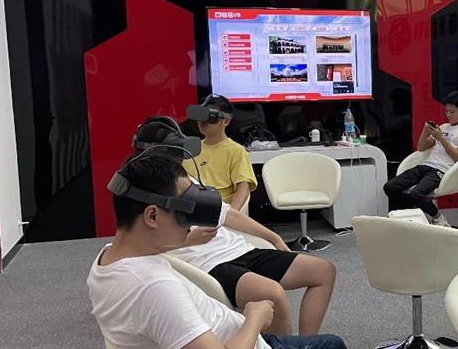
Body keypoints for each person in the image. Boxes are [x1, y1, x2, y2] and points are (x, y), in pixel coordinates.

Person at [88, 152, 398, 349]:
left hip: (239, 345)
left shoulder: (109, 261)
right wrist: (254, 318)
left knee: (334, 345)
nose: (192, 219)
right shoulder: (153, 289)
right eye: (184, 210)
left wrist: (185, 240)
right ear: (152, 216)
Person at [134, 117, 335, 335]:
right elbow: (138, 248)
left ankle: (308, 344)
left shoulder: (187, 182)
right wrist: (189, 240)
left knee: (323, 271)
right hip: (209, 265)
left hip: (240, 250)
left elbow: (229, 215)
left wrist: (274, 238)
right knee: (273, 294)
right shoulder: (139, 199)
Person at [383, 91, 458, 227]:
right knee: (390, 187)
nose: (448, 115)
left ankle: (439, 219)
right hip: (424, 166)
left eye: (452, 112)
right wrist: (425, 131)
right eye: (447, 111)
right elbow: (421, 148)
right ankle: (413, 214)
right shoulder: (443, 127)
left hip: (440, 171)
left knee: (416, 194)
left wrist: (441, 139)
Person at [184, 94, 257, 212]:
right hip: (188, 210)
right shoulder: (190, 147)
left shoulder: (235, 151)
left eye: (210, 117)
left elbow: (243, 187)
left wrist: (231, 214)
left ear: (226, 121)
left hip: (219, 210)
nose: (203, 121)